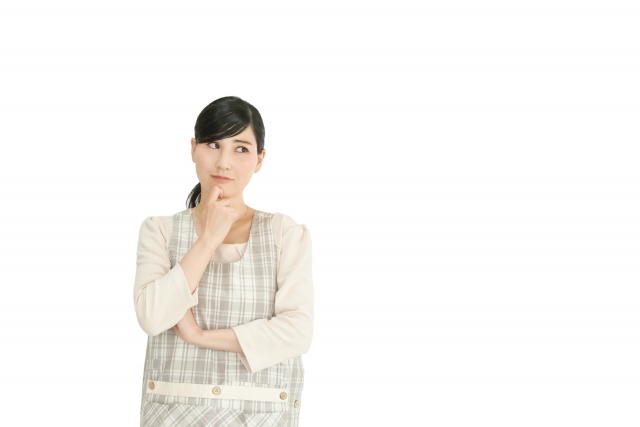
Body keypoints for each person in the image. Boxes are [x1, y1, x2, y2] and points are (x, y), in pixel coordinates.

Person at [133, 96, 314, 427]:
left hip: (261, 417)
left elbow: (298, 333)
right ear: (193, 149)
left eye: (241, 148)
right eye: (213, 144)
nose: (224, 162)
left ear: (259, 159)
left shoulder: (284, 233)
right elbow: (152, 317)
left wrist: (199, 336)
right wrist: (209, 239)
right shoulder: (161, 230)